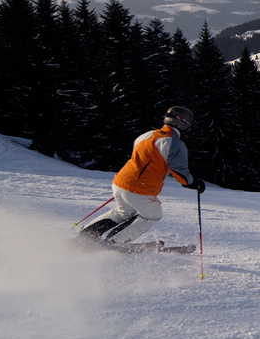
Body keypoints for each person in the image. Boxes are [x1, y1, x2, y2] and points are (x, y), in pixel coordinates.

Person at [80, 106, 205, 248]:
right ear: (184, 124)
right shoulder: (175, 143)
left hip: (120, 182)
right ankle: (113, 243)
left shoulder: (146, 135)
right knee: (153, 215)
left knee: (122, 213)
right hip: (139, 188)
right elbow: (179, 171)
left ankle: (86, 236)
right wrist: (194, 183)